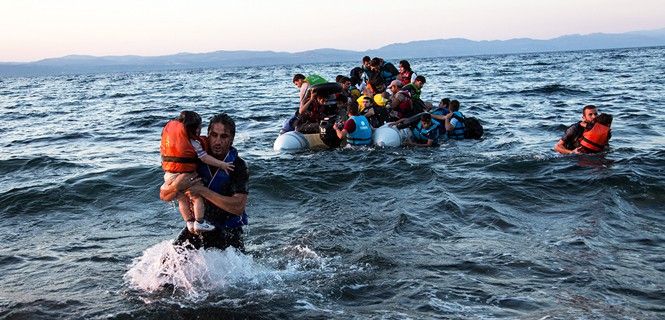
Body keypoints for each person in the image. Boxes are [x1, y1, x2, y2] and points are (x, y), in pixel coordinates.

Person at [160, 113, 249, 251]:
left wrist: (202, 191)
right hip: (199, 227)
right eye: (214, 135)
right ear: (207, 135)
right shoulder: (193, 160)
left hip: (228, 230)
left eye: (223, 136)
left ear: (231, 139)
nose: (217, 141)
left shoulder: (237, 166)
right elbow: (164, 196)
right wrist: (177, 186)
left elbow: (238, 207)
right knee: (166, 266)